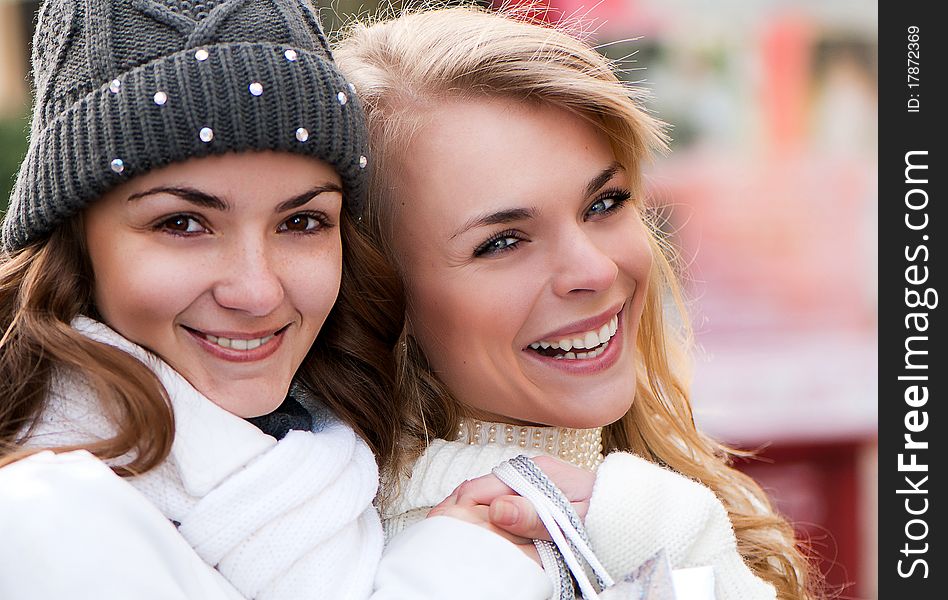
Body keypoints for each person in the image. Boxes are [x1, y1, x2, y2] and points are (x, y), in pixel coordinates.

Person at [0, 1, 552, 598]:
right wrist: (465, 568)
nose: (257, 291)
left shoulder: (335, 462)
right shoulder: (42, 515)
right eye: (183, 224)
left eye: (302, 222)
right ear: (74, 241)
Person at [335, 6, 819, 599]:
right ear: (380, 297)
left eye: (604, 203)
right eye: (503, 241)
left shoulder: (637, 496)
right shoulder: (454, 560)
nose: (594, 269)